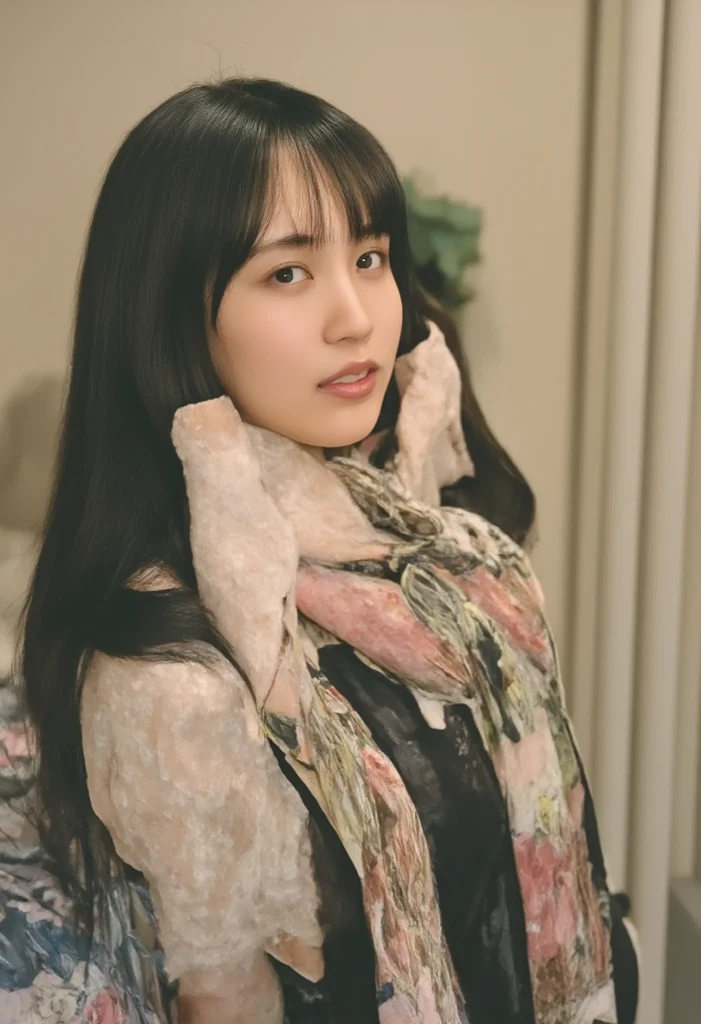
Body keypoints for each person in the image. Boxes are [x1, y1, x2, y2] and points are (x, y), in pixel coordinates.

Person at [14, 77, 639, 1024]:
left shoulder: (427, 538)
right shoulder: (175, 681)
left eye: (370, 256)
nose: (356, 316)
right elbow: (230, 1001)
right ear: (171, 312)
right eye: (288, 274)